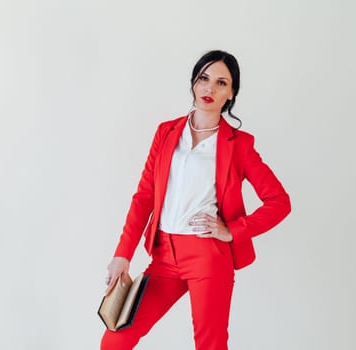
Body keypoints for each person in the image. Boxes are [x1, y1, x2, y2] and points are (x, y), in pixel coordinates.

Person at [100, 50, 291, 350]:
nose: (209, 89)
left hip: (209, 256)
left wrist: (232, 230)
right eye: (204, 78)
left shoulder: (239, 145)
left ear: (231, 94)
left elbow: (279, 201)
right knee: (115, 340)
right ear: (193, 82)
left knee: (210, 345)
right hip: (163, 256)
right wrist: (123, 254)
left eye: (221, 83)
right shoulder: (166, 132)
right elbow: (144, 197)